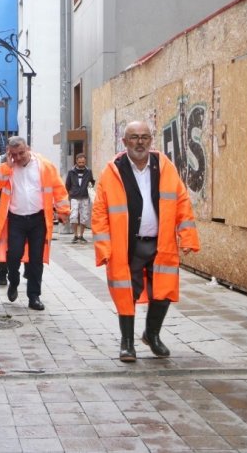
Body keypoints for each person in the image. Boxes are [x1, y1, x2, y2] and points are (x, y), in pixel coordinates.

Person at [92, 120, 200, 362]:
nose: (139, 142)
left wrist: (188, 236)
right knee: (125, 292)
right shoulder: (113, 171)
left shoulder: (165, 167)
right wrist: (103, 246)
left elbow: (182, 202)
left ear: (151, 141)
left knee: (164, 291)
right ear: (124, 142)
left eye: (144, 137)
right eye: (133, 137)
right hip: (126, 245)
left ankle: (152, 335)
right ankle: (127, 343)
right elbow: (99, 212)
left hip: (161, 243)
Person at [0, 136, 70, 311]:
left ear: (28, 148)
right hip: (16, 219)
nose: (18, 157)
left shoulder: (44, 166)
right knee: (14, 254)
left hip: (38, 219)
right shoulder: (8, 167)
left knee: (36, 259)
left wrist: (63, 211)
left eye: (21, 153)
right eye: (14, 154)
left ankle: (34, 296)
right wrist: (7, 167)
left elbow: (58, 188)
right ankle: (14, 281)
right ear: (9, 154)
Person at [65, 153, 96, 243]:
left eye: (83, 162)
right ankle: (75, 235)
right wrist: (70, 193)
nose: (81, 164)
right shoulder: (71, 172)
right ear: (76, 161)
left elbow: (91, 182)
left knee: (84, 216)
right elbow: (67, 184)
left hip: (85, 196)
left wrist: (90, 188)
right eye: (80, 162)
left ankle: (81, 235)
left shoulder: (88, 171)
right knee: (73, 215)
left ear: (85, 161)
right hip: (74, 196)